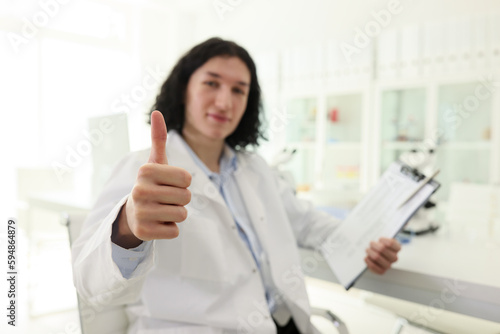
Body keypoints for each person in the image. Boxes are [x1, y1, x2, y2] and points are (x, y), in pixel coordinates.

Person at [72, 37, 401, 334]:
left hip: (284, 323)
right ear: (184, 88)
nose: (225, 101)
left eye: (238, 90)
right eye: (211, 83)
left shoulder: (255, 169)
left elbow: (307, 222)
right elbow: (88, 282)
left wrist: (363, 243)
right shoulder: (141, 169)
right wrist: (128, 226)